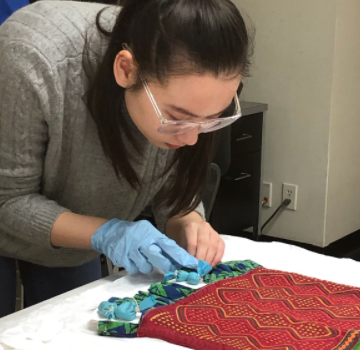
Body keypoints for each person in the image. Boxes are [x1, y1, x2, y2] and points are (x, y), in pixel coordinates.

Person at [0, 0, 251, 317]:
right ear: (126, 70)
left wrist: (188, 220)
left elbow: (170, 185)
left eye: (210, 120)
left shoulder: (183, 64)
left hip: (77, 233)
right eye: (178, 119)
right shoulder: (35, 60)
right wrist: (108, 233)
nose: (191, 139)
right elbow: (8, 199)